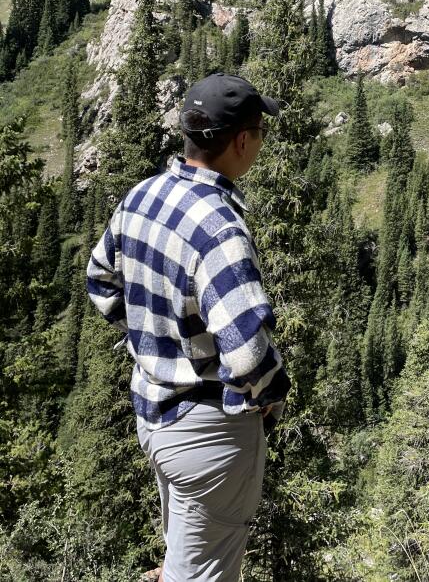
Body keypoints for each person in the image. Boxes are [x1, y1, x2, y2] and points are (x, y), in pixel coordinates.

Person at [87, 71, 291, 582]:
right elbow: (246, 355)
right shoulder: (219, 229)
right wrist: (272, 395)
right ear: (242, 141)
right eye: (259, 133)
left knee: (185, 557)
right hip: (210, 433)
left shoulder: (143, 195)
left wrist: (156, 340)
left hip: (153, 414)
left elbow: (101, 282)